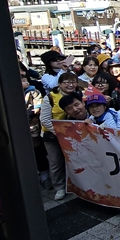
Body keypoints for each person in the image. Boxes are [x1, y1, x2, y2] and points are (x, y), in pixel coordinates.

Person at [39, 71, 82, 200]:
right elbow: (45, 120)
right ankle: (59, 187)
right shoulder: (50, 97)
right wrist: (60, 132)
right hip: (52, 136)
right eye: (66, 82)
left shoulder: (79, 95)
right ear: (59, 83)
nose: (70, 84)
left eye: (73, 81)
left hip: (73, 135)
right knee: (56, 162)